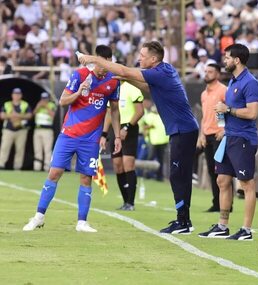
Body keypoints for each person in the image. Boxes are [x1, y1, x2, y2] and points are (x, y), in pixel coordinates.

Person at [78, 40, 199, 234]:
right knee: (178, 175)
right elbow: (149, 89)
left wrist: (94, 59)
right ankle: (183, 219)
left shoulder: (160, 72)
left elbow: (125, 71)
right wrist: (126, 79)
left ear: (153, 59)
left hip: (183, 130)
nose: (139, 59)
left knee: (179, 176)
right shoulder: (163, 71)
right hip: (182, 129)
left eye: (142, 56)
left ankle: (183, 221)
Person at [23, 45, 121, 233]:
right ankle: (39, 217)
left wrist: (116, 136)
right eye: (100, 63)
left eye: (107, 63)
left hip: (91, 139)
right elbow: (62, 101)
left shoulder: (113, 81)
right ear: (95, 60)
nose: (103, 67)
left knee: (86, 178)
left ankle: (82, 222)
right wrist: (79, 92)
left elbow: (115, 110)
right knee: (54, 173)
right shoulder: (80, 75)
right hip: (69, 134)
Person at [198, 43, 258, 241]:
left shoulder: (250, 82)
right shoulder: (233, 81)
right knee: (222, 180)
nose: (224, 60)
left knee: (246, 184)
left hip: (243, 138)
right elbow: (226, 110)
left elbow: (252, 112)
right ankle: (222, 226)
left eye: (227, 57)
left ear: (237, 60)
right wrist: (222, 116)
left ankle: (246, 230)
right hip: (229, 137)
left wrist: (228, 111)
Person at [101, 81, 144, 211]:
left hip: (129, 128)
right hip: (115, 129)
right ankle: (125, 201)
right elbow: (109, 113)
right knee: (117, 165)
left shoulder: (133, 89)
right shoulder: (112, 89)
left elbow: (140, 112)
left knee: (128, 164)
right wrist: (104, 133)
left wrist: (127, 127)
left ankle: (131, 202)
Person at [199, 63, 226, 212]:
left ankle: (226, 203)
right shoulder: (204, 94)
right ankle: (217, 203)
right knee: (211, 170)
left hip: (219, 135)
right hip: (208, 134)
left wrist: (224, 130)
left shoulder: (223, 91)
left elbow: (227, 111)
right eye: (206, 71)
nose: (207, 74)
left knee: (221, 171)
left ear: (218, 74)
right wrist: (202, 134)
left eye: (210, 72)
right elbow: (205, 116)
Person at [0, 88, 32, 170]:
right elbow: (2, 115)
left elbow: (29, 115)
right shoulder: (7, 104)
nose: (16, 96)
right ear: (12, 95)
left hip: (21, 130)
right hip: (8, 130)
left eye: (18, 94)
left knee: (20, 149)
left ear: (21, 95)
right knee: (4, 148)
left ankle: (17, 166)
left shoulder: (25, 104)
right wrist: (12, 116)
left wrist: (18, 116)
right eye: (15, 94)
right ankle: (1, 164)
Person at [33, 92, 57, 171]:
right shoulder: (38, 105)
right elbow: (33, 114)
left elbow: (53, 115)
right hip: (38, 129)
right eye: (43, 99)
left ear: (48, 99)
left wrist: (46, 106)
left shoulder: (51, 105)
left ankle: (47, 167)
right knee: (37, 150)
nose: (44, 100)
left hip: (47, 130)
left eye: (45, 99)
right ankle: (37, 167)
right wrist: (38, 107)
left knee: (47, 150)